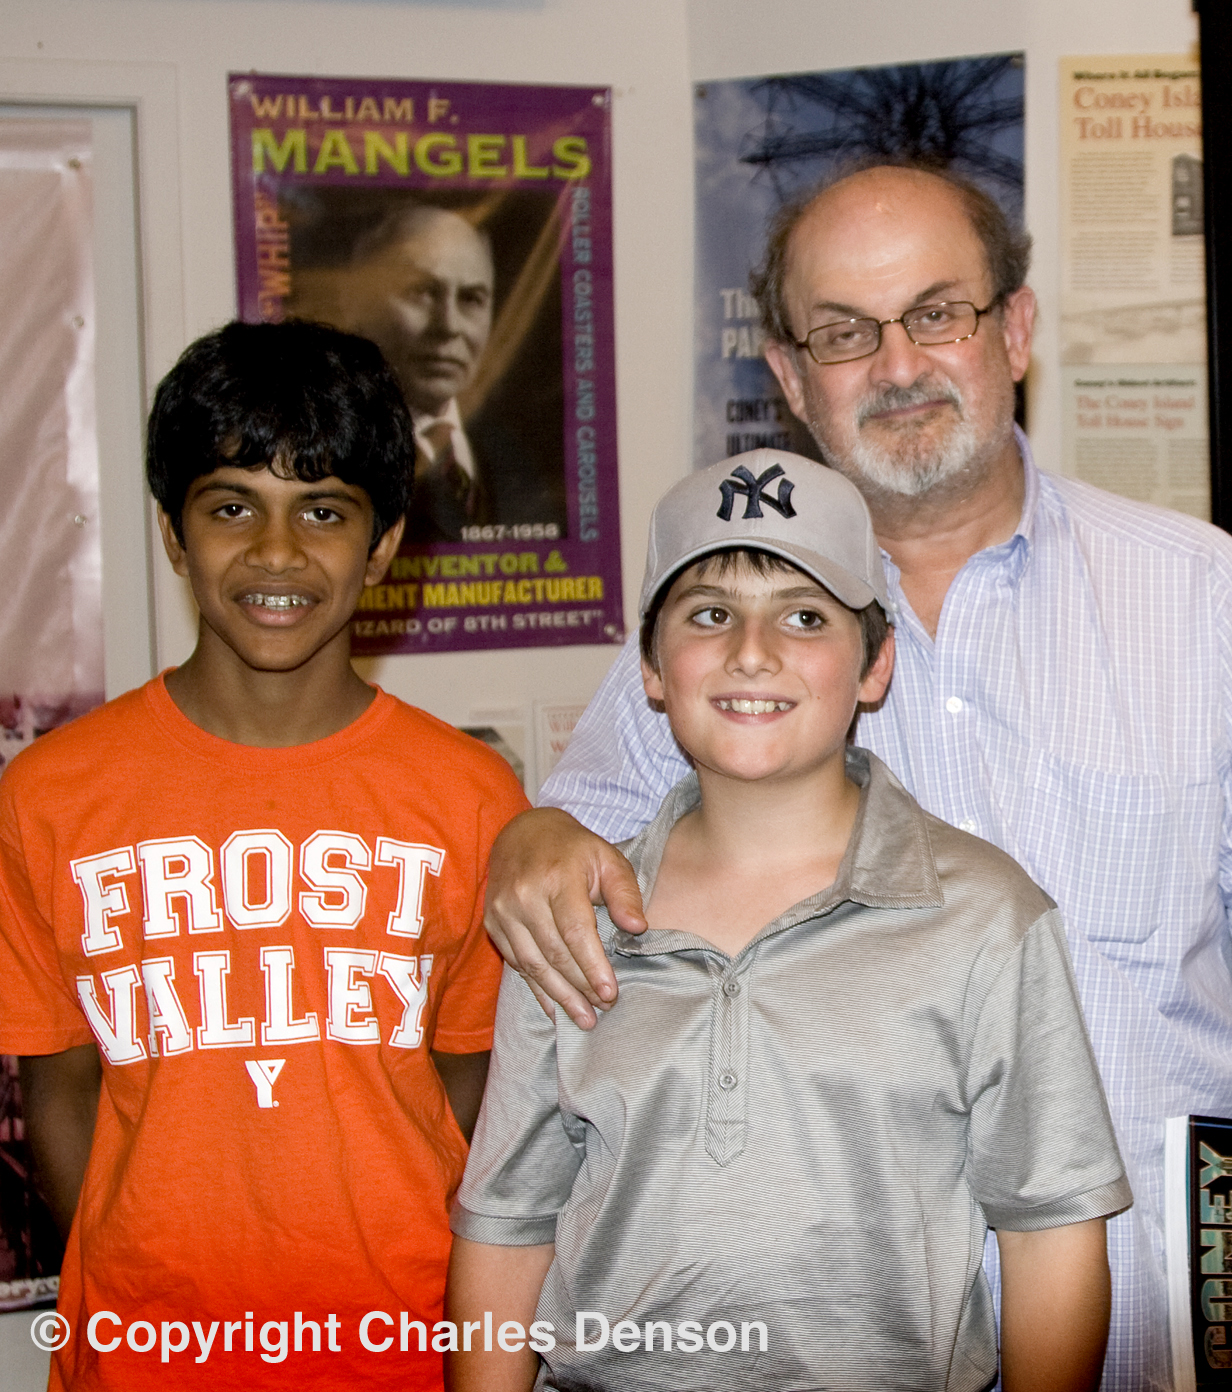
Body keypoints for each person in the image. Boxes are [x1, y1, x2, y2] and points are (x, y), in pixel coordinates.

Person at [484, 162, 1232, 1388]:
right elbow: (578, 865)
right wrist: (527, 836)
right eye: (844, 332)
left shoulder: (1205, 600)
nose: (897, 364)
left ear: (1015, 328)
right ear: (788, 377)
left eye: (938, 314)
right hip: (833, 1338)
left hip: (1150, 1321)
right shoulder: (731, 648)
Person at [446, 451, 1130, 1391]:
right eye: (710, 614)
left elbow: (1049, 1226)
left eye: (804, 616)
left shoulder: (983, 917)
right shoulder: (572, 917)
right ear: (650, 667)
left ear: (875, 664)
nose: (752, 650)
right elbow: (508, 1222)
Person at [0, 320, 531, 1390]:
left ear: (381, 545)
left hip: (399, 1349)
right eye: (232, 505)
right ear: (172, 531)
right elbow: (59, 1082)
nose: (276, 553)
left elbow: (469, 1073)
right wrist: (132, 1254)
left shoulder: (470, 798)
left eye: (323, 512)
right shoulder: (49, 794)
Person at [333, 203, 563, 544]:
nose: (449, 326)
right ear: (358, 302)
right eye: (422, 292)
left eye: (471, 299)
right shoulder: (330, 456)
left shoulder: (516, 463)